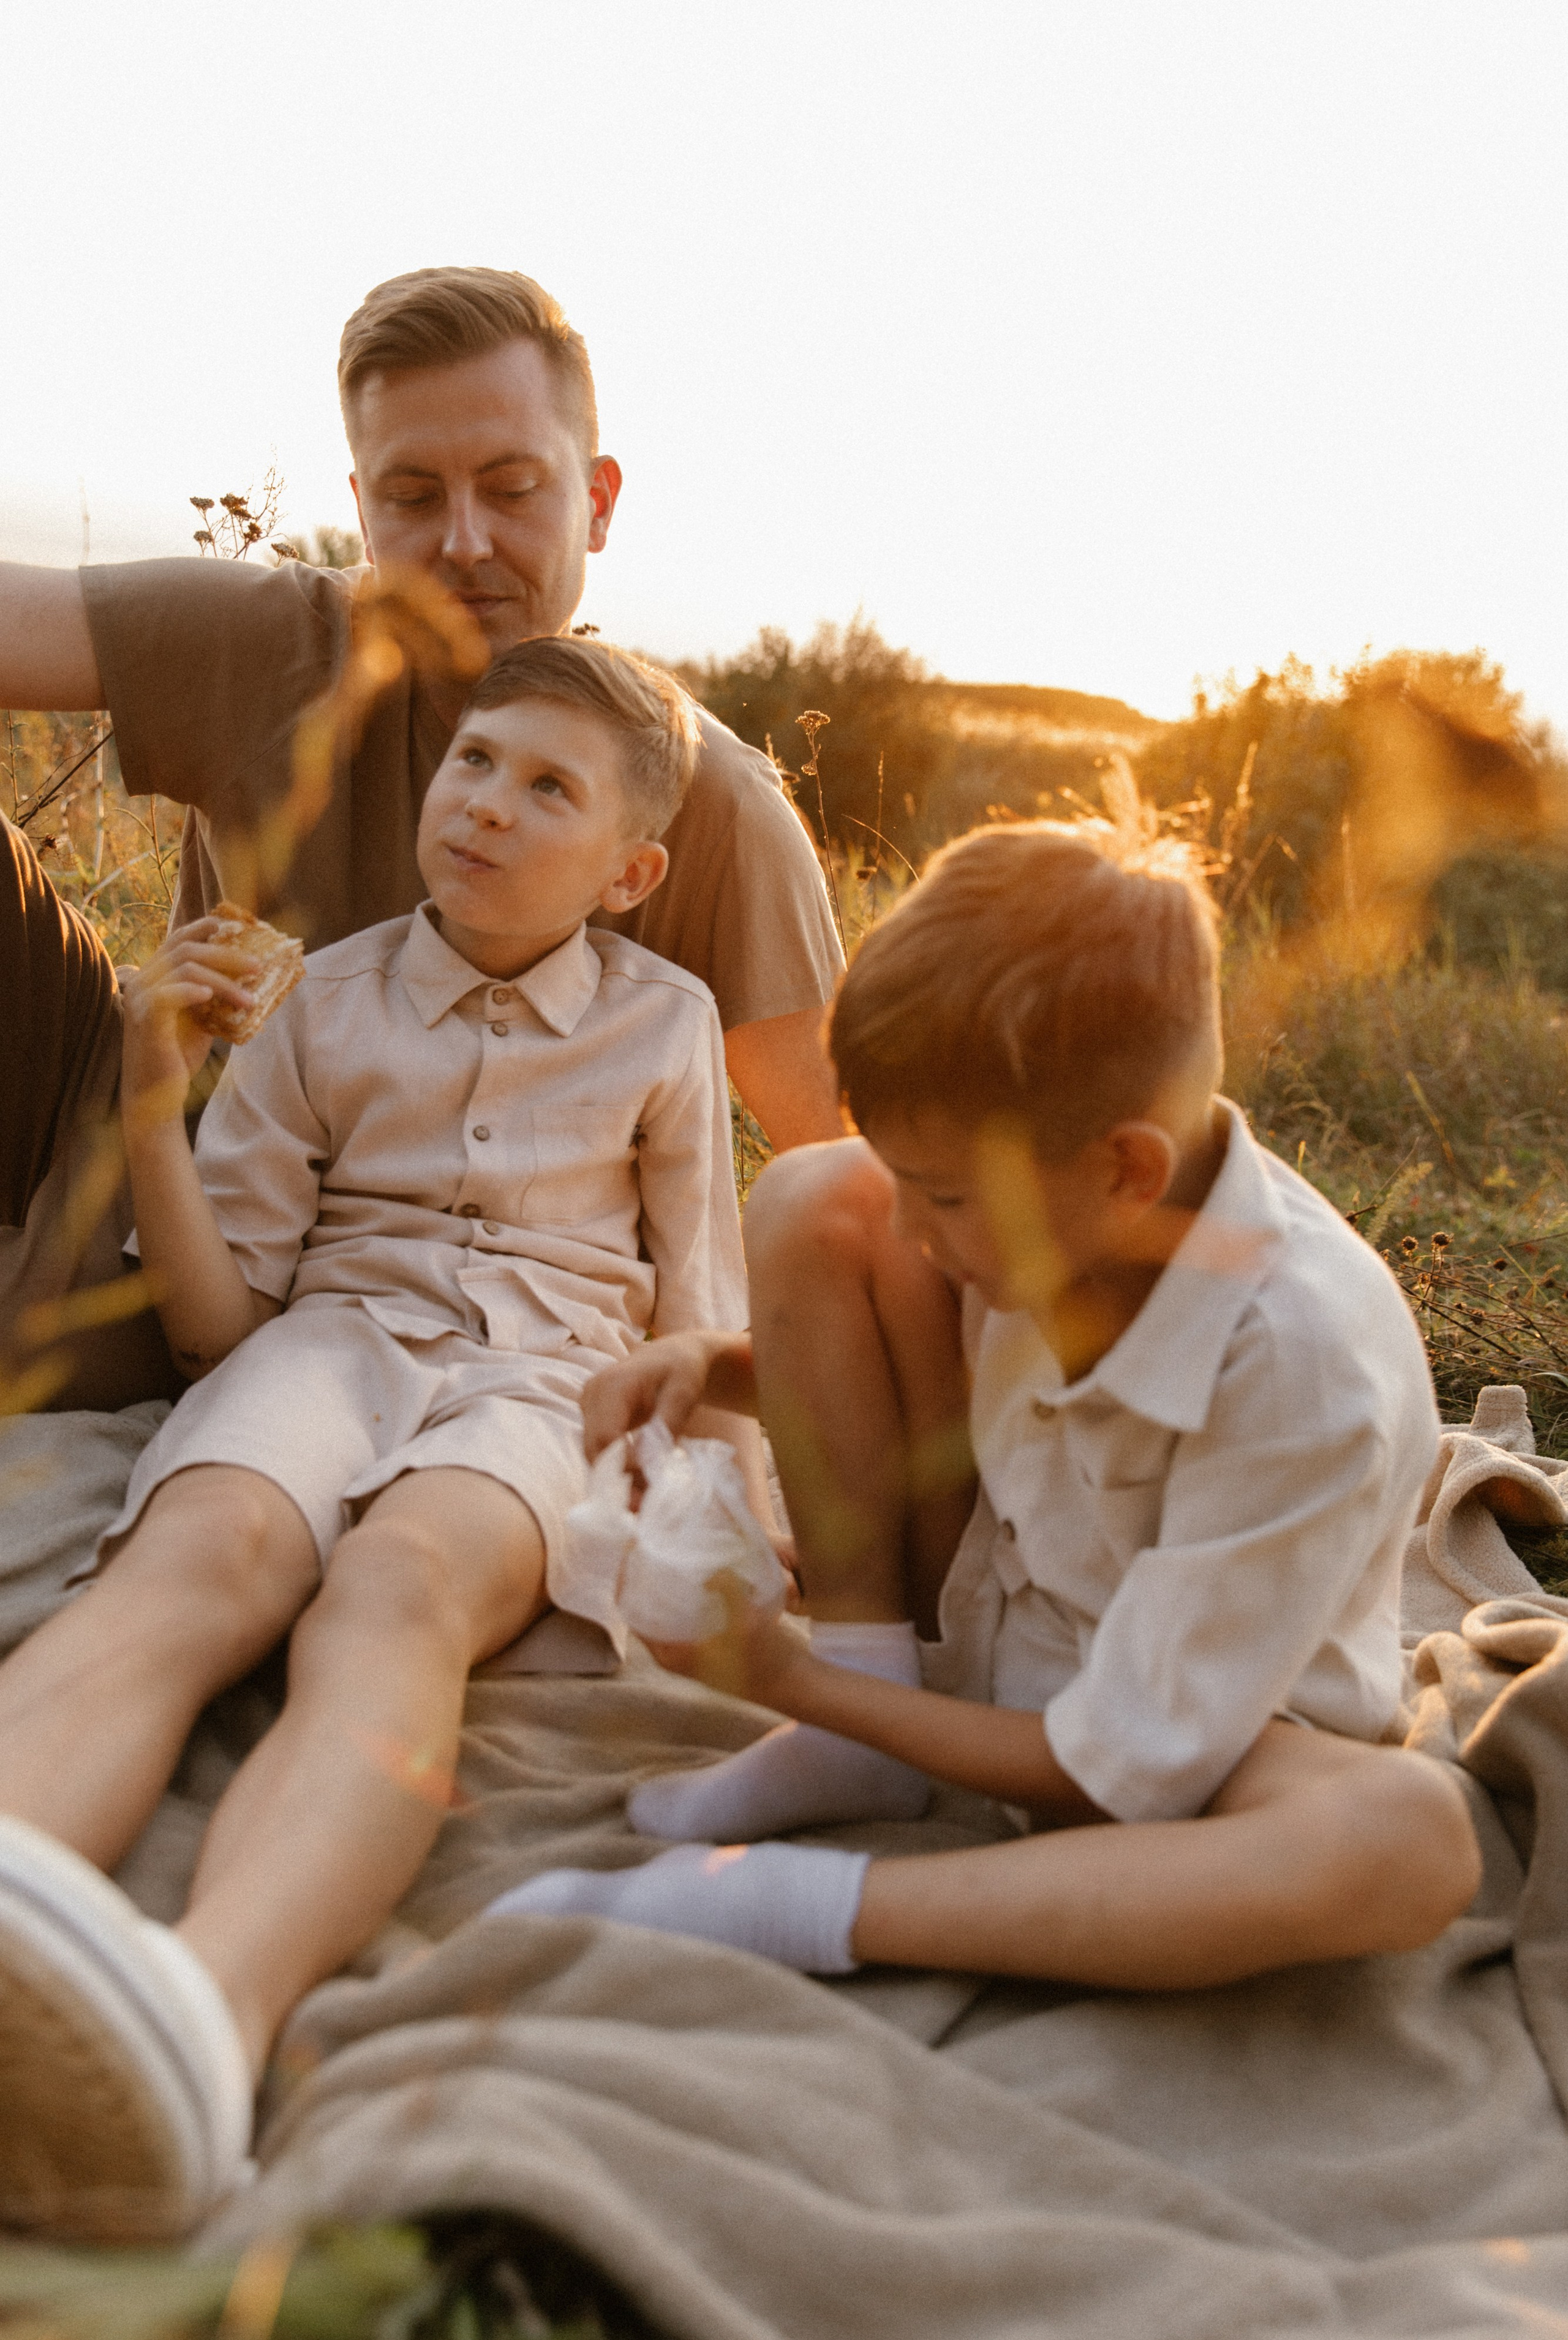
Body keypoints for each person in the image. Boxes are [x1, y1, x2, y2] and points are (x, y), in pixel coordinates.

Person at [0, 636, 758, 2238]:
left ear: (631, 871)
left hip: (547, 1386)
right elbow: (219, 1323)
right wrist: (152, 1097)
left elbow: (695, 1303)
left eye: (545, 784)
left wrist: (724, 1516)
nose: (484, 800)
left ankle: (202, 2020)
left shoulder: (668, 1025)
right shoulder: (323, 1000)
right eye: (473, 759)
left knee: (397, 1595)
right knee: (196, 1565)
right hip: (327, 1342)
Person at [489, 821, 1482, 1987]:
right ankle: (862, 1734)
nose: (916, 1230)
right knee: (821, 1194)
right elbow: (963, 1371)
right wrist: (712, 1366)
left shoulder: (1305, 1372)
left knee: (1409, 1841)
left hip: (1203, 1757)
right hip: (990, 1623)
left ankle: (797, 1905)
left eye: (949, 1197)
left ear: (1127, 1173)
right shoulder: (1061, 1216)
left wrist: (786, 1676)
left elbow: (1125, 1765)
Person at [0, 265, 843, 1410]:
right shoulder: (282, 643)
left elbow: (841, 1160)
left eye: (511, 489)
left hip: (333, 1296)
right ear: (361, 510)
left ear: (596, 499)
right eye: (412, 496)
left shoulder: (704, 804)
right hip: (126, 1110)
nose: (463, 542)